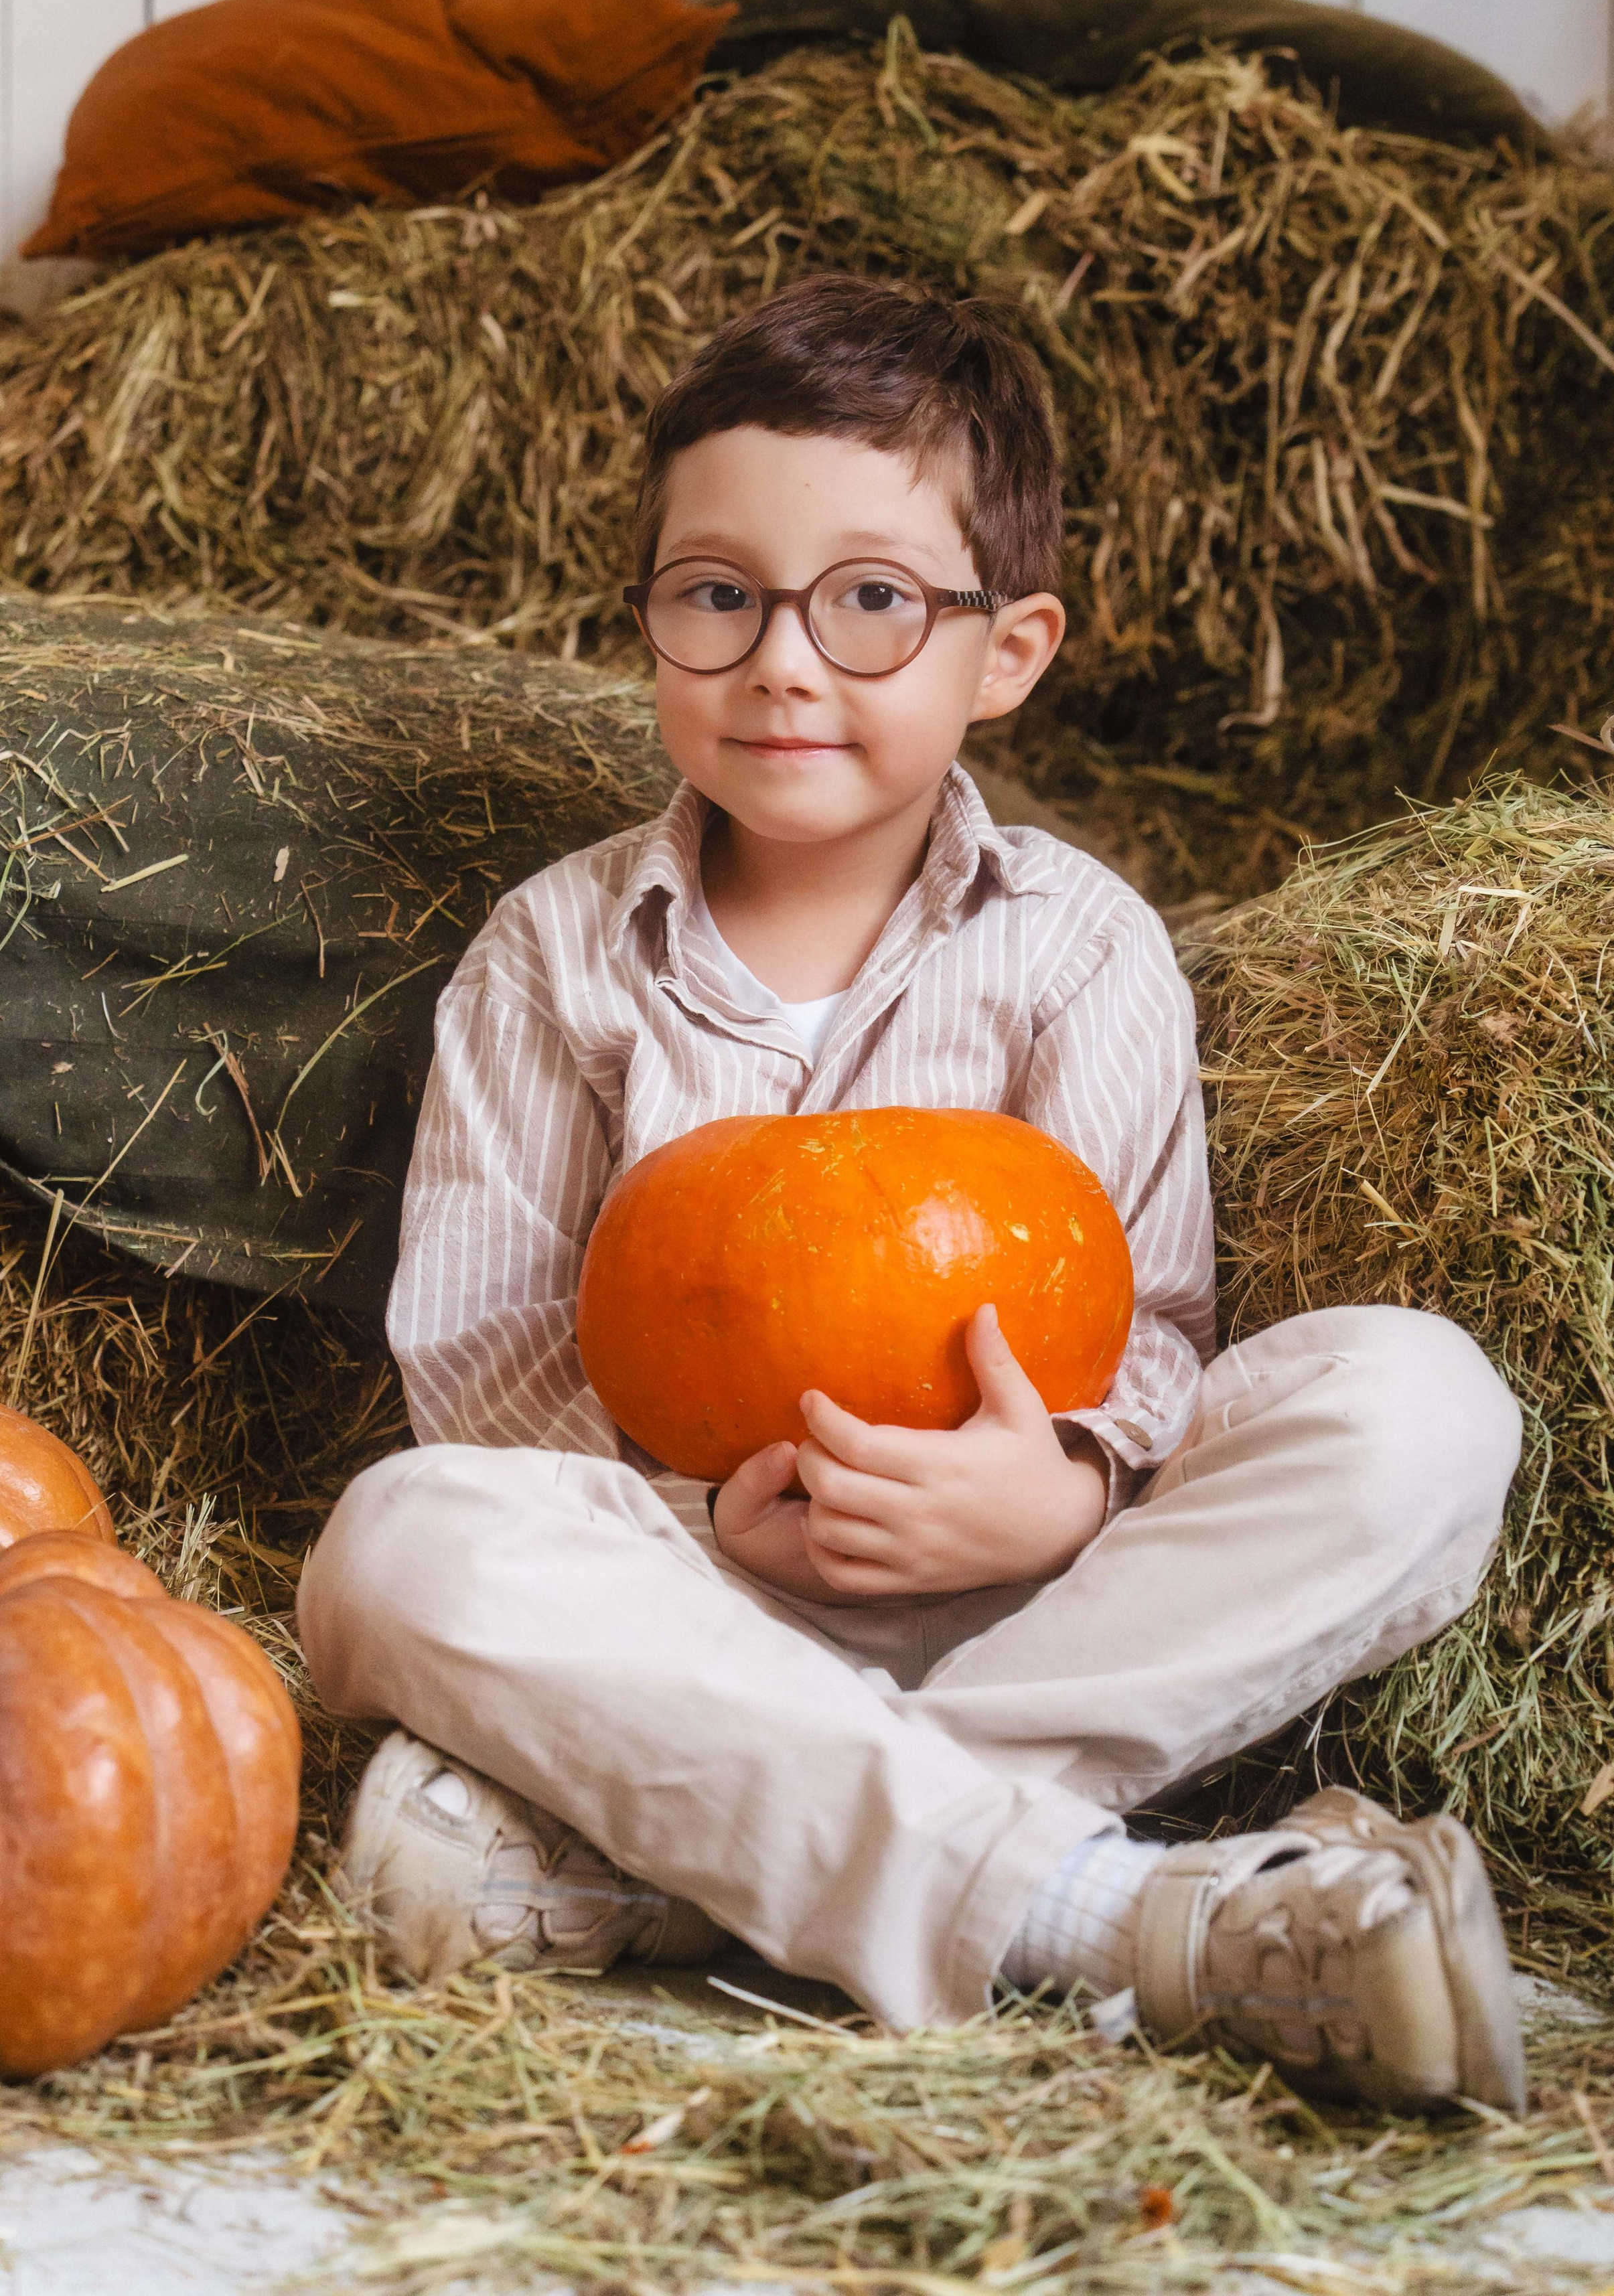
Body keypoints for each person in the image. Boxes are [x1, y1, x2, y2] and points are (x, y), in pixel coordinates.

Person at [297, 274, 1526, 2113]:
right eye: (717, 596)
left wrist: (1056, 1488)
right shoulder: (555, 955)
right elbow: (481, 1362)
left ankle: (668, 1858)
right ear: (649, 626)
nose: (784, 661)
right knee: (397, 1542)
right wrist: (720, 1515)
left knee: (1422, 1405)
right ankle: (1118, 1913)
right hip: (679, 1601)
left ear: (1006, 649)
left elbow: (1159, 1330)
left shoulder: (1079, 945)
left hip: (1048, 1599)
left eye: (871, 601)